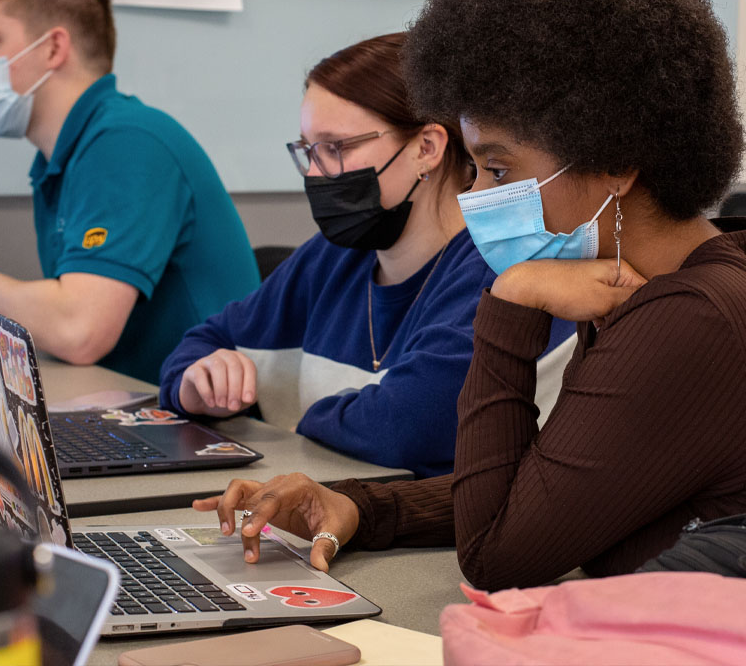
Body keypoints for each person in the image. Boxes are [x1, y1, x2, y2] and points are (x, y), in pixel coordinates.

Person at [192, 0, 746, 591]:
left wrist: (512, 301)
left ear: (616, 164)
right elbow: (548, 487)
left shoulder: (691, 318)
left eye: (498, 169)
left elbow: (496, 555)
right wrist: (359, 506)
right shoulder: (642, 286)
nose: (475, 194)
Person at [159, 33, 577, 477]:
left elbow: (411, 424)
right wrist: (197, 384)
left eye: (336, 148)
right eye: (307, 150)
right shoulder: (332, 257)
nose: (315, 173)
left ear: (426, 148)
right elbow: (202, 344)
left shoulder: (499, 268)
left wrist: (306, 423)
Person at [0, 0, 260, 383]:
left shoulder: (127, 141)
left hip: (198, 414)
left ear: (53, 48)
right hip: (131, 398)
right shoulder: (65, 157)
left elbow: (79, 332)